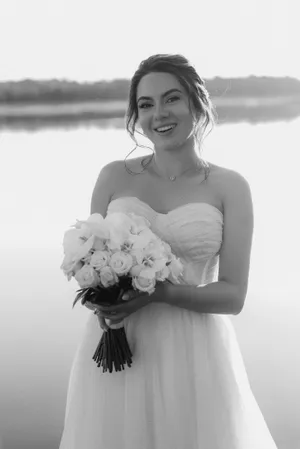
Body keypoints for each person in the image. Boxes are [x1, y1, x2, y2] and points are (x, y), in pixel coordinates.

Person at [59, 54, 278, 449]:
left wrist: (159, 294)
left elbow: (233, 296)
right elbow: (90, 258)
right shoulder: (112, 176)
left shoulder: (231, 187)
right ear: (136, 115)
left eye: (171, 98)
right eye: (146, 104)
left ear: (197, 104)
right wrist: (102, 300)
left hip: (194, 351)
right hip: (119, 343)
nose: (158, 113)